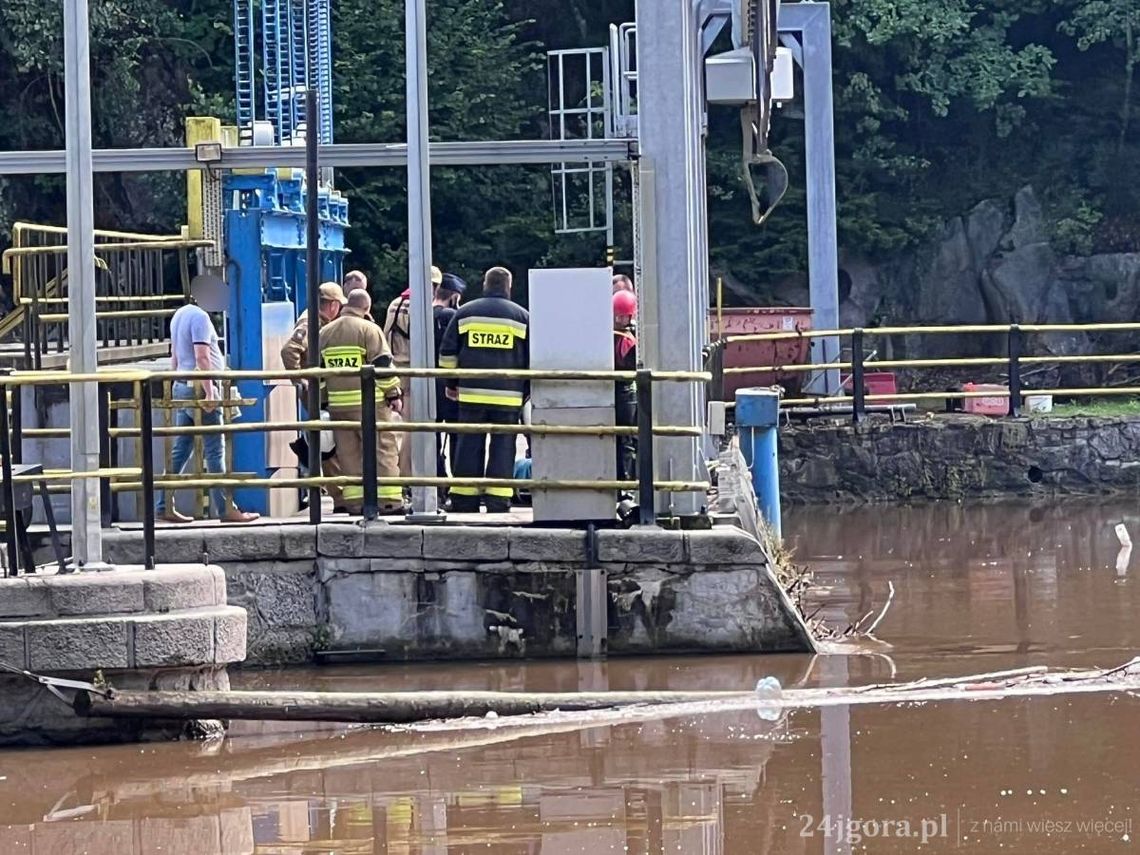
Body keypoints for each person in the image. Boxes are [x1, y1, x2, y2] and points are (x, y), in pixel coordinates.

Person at [156, 278, 259, 524]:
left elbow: (175, 356)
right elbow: (202, 357)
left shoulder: (180, 314)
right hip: (199, 389)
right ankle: (226, 509)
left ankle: (163, 505)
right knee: (215, 449)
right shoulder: (201, 318)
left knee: (181, 449)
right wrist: (211, 389)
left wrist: (173, 384)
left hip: (183, 384)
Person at [438, 267, 529, 513]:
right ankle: (497, 501)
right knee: (503, 447)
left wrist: (451, 385)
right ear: (509, 286)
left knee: (468, 445)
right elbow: (532, 360)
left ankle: (464, 501)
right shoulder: (521, 316)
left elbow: (447, 355)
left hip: (470, 394)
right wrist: (525, 392)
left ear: (485, 284)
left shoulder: (466, 313)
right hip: (509, 398)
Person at [319, 289, 406, 515]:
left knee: (349, 455)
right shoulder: (369, 329)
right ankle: (389, 502)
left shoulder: (325, 332)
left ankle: (356, 503)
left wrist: (324, 400)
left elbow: (319, 374)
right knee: (383, 450)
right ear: (366, 308)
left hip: (338, 406)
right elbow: (382, 365)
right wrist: (393, 394)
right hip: (370, 405)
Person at [280, 282, 348, 508]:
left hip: (323, 393)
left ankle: (335, 490)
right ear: (333, 305)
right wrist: (300, 380)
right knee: (327, 445)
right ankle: (339, 496)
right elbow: (289, 350)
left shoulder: (318, 321)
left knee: (327, 442)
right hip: (318, 394)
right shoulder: (310, 322)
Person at [384, 265, 443, 479]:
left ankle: (394, 471)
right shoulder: (420, 306)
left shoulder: (395, 303)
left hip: (393, 370)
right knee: (411, 428)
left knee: (395, 426)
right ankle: (407, 474)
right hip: (411, 371)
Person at [433, 273, 466, 485]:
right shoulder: (453, 316)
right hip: (450, 383)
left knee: (430, 435)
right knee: (457, 434)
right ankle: (458, 481)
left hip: (426, 382)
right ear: (454, 296)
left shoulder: (421, 315)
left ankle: (436, 478)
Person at [613, 290, 638, 490]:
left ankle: (625, 482)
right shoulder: (625, 338)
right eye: (618, 316)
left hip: (625, 391)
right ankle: (622, 482)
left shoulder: (628, 339)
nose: (621, 320)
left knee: (625, 439)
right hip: (619, 390)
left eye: (624, 316)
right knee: (621, 438)